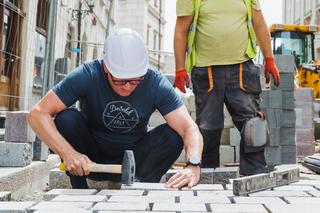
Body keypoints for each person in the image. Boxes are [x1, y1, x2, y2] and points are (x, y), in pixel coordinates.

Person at [28, 28, 203, 189]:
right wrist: (68, 153)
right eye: (119, 80)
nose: (127, 87)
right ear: (106, 67)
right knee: (67, 119)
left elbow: (189, 128)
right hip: (89, 160)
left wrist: (193, 165)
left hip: (135, 160)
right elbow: (37, 114)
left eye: (134, 80)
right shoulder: (87, 75)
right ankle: (79, 189)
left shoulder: (155, 82)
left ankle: (141, 190)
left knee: (172, 135)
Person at [174, 0, 280, 175]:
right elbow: (181, 29)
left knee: (253, 125)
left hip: (241, 68)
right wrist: (179, 68)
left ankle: (254, 174)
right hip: (206, 70)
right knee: (208, 128)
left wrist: (269, 59)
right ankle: (207, 174)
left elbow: (259, 23)